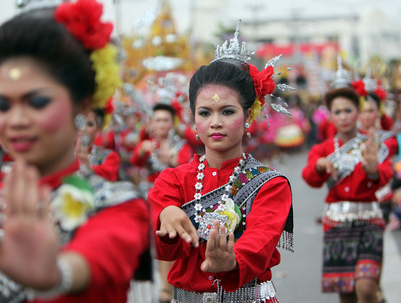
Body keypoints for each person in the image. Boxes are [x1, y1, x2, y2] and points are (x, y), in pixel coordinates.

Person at [0, 1, 150, 302]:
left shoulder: (119, 205)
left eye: (37, 102)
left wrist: (53, 275)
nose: (16, 120)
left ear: (83, 103)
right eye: (3, 105)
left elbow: (92, 259)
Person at [148, 26, 294, 303]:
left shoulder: (270, 184)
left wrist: (231, 261)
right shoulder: (173, 180)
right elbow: (161, 246)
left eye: (227, 111)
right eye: (205, 112)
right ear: (193, 118)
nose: (215, 122)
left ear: (248, 115)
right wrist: (166, 213)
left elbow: (260, 241)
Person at [302, 87, 393, 303]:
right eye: (337, 111)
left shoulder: (371, 145)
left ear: (358, 112)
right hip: (336, 223)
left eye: (348, 110)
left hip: (369, 221)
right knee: (347, 293)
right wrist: (319, 166)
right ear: (330, 115)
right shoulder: (323, 148)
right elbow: (309, 178)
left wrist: (373, 169)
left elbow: (387, 174)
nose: (343, 116)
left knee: (367, 287)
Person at [130, 102, 192, 302]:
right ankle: (164, 284)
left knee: (168, 238)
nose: (162, 124)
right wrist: (141, 150)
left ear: (172, 123)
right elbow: (134, 162)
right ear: (151, 123)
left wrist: (173, 161)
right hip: (148, 198)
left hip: (173, 200)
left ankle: (167, 287)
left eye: (166, 120)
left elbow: (188, 167)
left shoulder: (180, 146)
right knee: (152, 242)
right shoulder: (148, 144)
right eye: (157, 120)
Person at [75, 107, 121, 181]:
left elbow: (110, 174)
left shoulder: (109, 157)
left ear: (99, 128)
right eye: (80, 122)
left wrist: (88, 168)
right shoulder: (62, 154)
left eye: (89, 124)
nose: (83, 128)